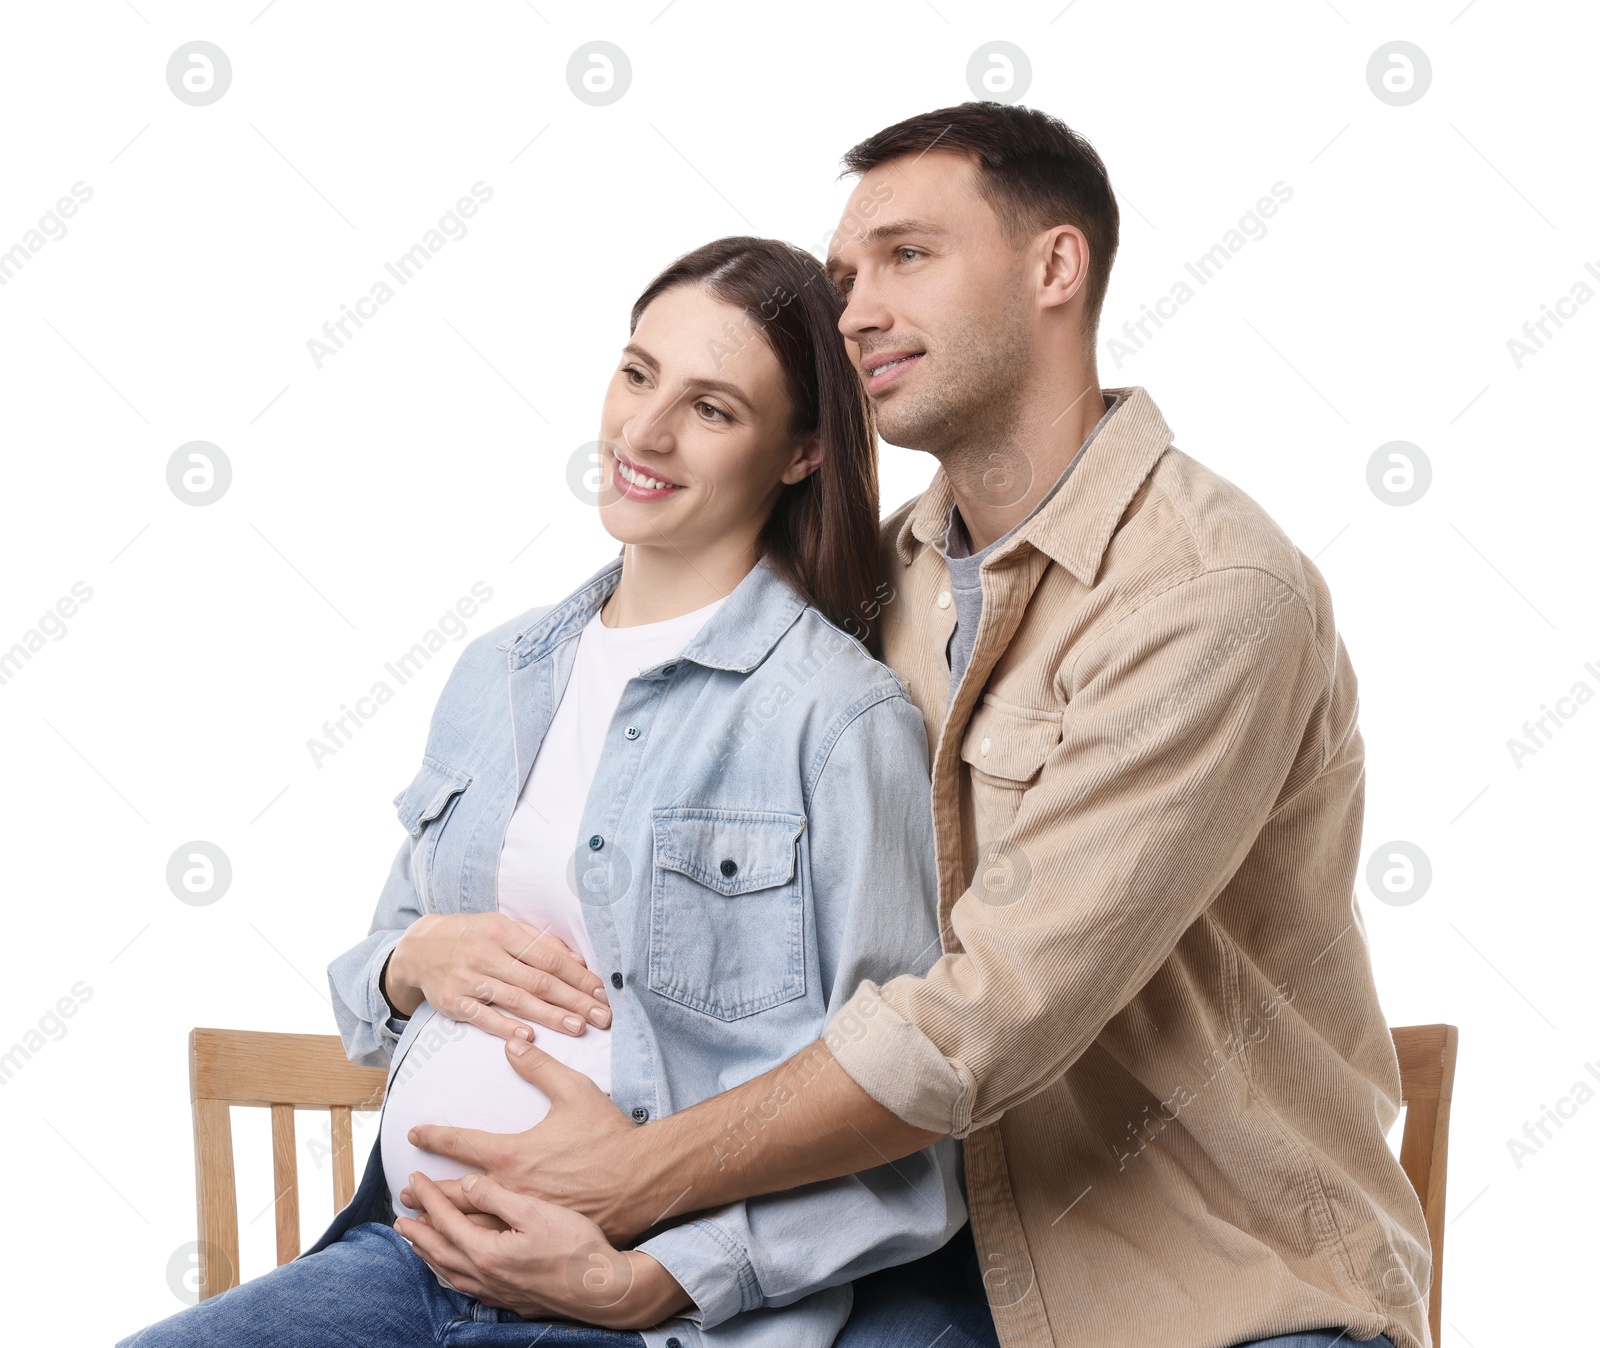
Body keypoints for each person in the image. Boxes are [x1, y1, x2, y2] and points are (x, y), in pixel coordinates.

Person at [400, 104, 1426, 1348]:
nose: (852, 313)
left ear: (1057, 266)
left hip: (1206, 1292)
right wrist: (425, 961)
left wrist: (628, 1186)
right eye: (842, 277)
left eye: (906, 257)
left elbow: (985, 1018)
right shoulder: (876, 592)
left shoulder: (1207, 596)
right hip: (932, 1262)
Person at [115, 236, 974, 1348]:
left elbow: (895, 1117)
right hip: (408, 1252)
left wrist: (662, 1276)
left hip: (647, 1309)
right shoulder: (500, 671)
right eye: (636, 374)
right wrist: (408, 959)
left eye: (711, 409)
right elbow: (377, 980)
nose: (645, 433)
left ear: (802, 451)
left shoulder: (836, 720)